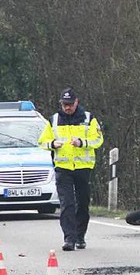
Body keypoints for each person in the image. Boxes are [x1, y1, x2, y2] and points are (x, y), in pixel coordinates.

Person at [38, 87, 104, 251]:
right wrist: (53, 144)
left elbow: (98, 140)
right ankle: (69, 238)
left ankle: (80, 236)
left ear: (76, 102)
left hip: (83, 167)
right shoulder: (54, 120)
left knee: (82, 203)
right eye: (64, 104)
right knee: (67, 203)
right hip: (63, 167)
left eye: (70, 104)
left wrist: (82, 143)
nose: (67, 107)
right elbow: (42, 142)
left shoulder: (88, 119)